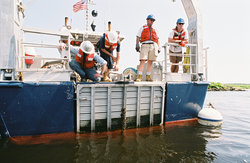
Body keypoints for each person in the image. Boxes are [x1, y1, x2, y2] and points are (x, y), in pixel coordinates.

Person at [135, 14, 161, 82]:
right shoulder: (142, 28)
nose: (152, 21)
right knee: (142, 61)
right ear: (147, 20)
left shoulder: (155, 29)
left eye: (153, 20)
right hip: (145, 44)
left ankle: (148, 76)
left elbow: (157, 39)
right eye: (151, 20)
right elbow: (138, 36)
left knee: (150, 62)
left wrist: (159, 47)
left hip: (153, 45)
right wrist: (137, 44)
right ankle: (139, 76)